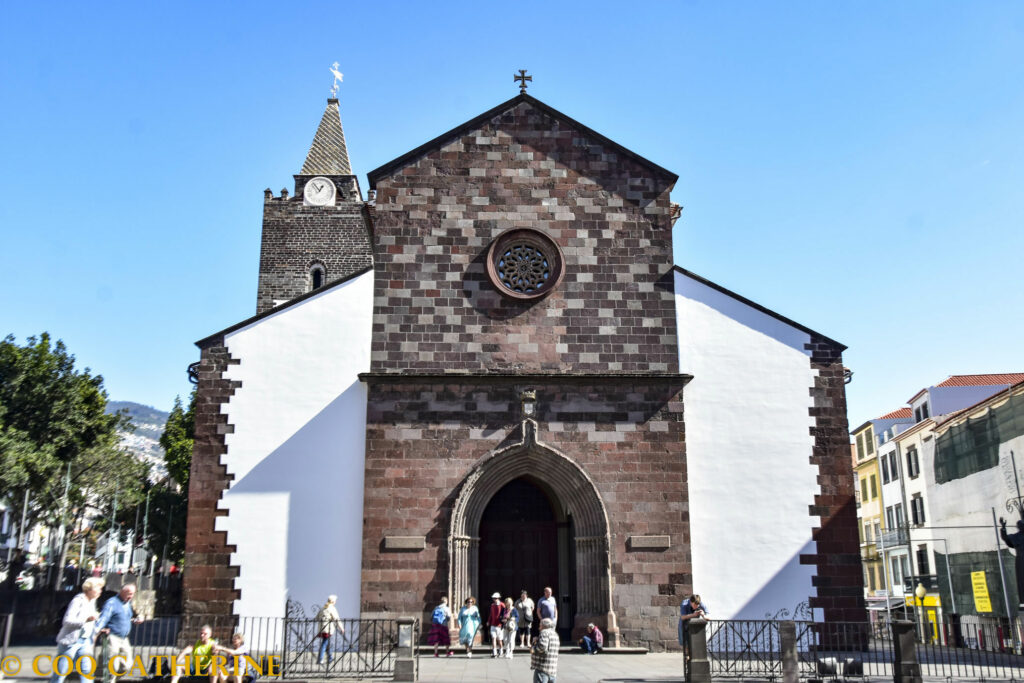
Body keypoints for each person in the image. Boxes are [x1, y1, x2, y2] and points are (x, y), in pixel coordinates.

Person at [49, 577, 104, 683]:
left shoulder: (92, 601)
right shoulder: (78, 600)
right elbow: (67, 620)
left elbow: (91, 621)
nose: (100, 591)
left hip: (85, 640)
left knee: (86, 671)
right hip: (71, 641)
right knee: (61, 671)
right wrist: (86, 619)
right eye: (98, 588)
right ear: (89, 589)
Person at [94, 583, 143, 683]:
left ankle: (105, 673)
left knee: (127, 665)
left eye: (133, 594)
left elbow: (127, 618)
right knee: (112, 667)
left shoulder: (127, 603)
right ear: (122, 592)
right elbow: (104, 618)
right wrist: (98, 630)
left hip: (124, 638)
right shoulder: (112, 603)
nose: (131, 596)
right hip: (112, 637)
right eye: (129, 594)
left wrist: (136, 620)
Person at [315, 595, 345, 665]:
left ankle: (330, 657)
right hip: (328, 629)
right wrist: (341, 628)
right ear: (333, 601)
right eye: (335, 601)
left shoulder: (323, 608)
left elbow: (316, 618)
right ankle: (320, 659)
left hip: (321, 628)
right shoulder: (332, 608)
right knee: (324, 643)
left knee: (326, 642)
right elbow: (337, 619)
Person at [678, 594, 709, 659]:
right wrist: (693, 615)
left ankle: (693, 658)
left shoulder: (700, 603)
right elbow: (683, 617)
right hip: (684, 625)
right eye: (695, 605)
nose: (696, 606)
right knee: (686, 643)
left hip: (694, 625)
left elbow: (708, 617)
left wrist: (703, 615)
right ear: (691, 602)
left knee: (694, 643)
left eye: (698, 605)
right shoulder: (684, 604)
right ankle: (687, 656)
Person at [530, 617, 559, 683]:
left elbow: (542, 647)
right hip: (552, 669)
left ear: (543, 626)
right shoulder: (555, 634)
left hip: (542, 668)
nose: (539, 627)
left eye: (540, 625)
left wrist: (534, 645)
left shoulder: (544, 632)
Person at [487, 592, 506, 658]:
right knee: (493, 638)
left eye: (496, 598)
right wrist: (489, 621)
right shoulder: (492, 605)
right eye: (494, 598)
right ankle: (494, 652)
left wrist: (504, 620)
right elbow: (491, 614)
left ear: (499, 598)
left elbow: (505, 613)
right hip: (493, 624)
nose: (495, 599)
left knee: (499, 640)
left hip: (499, 625)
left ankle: (501, 651)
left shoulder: (502, 605)